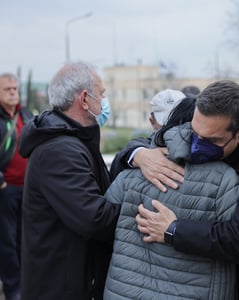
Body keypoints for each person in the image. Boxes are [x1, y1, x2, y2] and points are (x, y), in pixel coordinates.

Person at [104, 97, 239, 299]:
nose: (199, 144)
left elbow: (104, 223)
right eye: (196, 134)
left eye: (211, 138)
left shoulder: (138, 167)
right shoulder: (224, 180)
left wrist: (138, 153)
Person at [18, 62, 121, 300]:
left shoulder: (74, 141)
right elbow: (94, 218)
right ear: (85, 99)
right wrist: (142, 213)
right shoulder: (60, 151)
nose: (105, 102)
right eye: (102, 94)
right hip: (59, 286)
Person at [0, 73, 33, 300]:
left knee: (26, 239)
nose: (13, 92)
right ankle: (13, 289)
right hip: (5, 190)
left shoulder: (26, 115)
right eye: (7, 89)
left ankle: (28, 285)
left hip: (29, 190)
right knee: (7, 241)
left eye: (15, 88)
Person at [109, 89, 185, 181]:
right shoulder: (142, 148)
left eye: (178, 121)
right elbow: (123, 156)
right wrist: (138, 154)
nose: (173, 128)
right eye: (167, 124)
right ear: (152, 122)